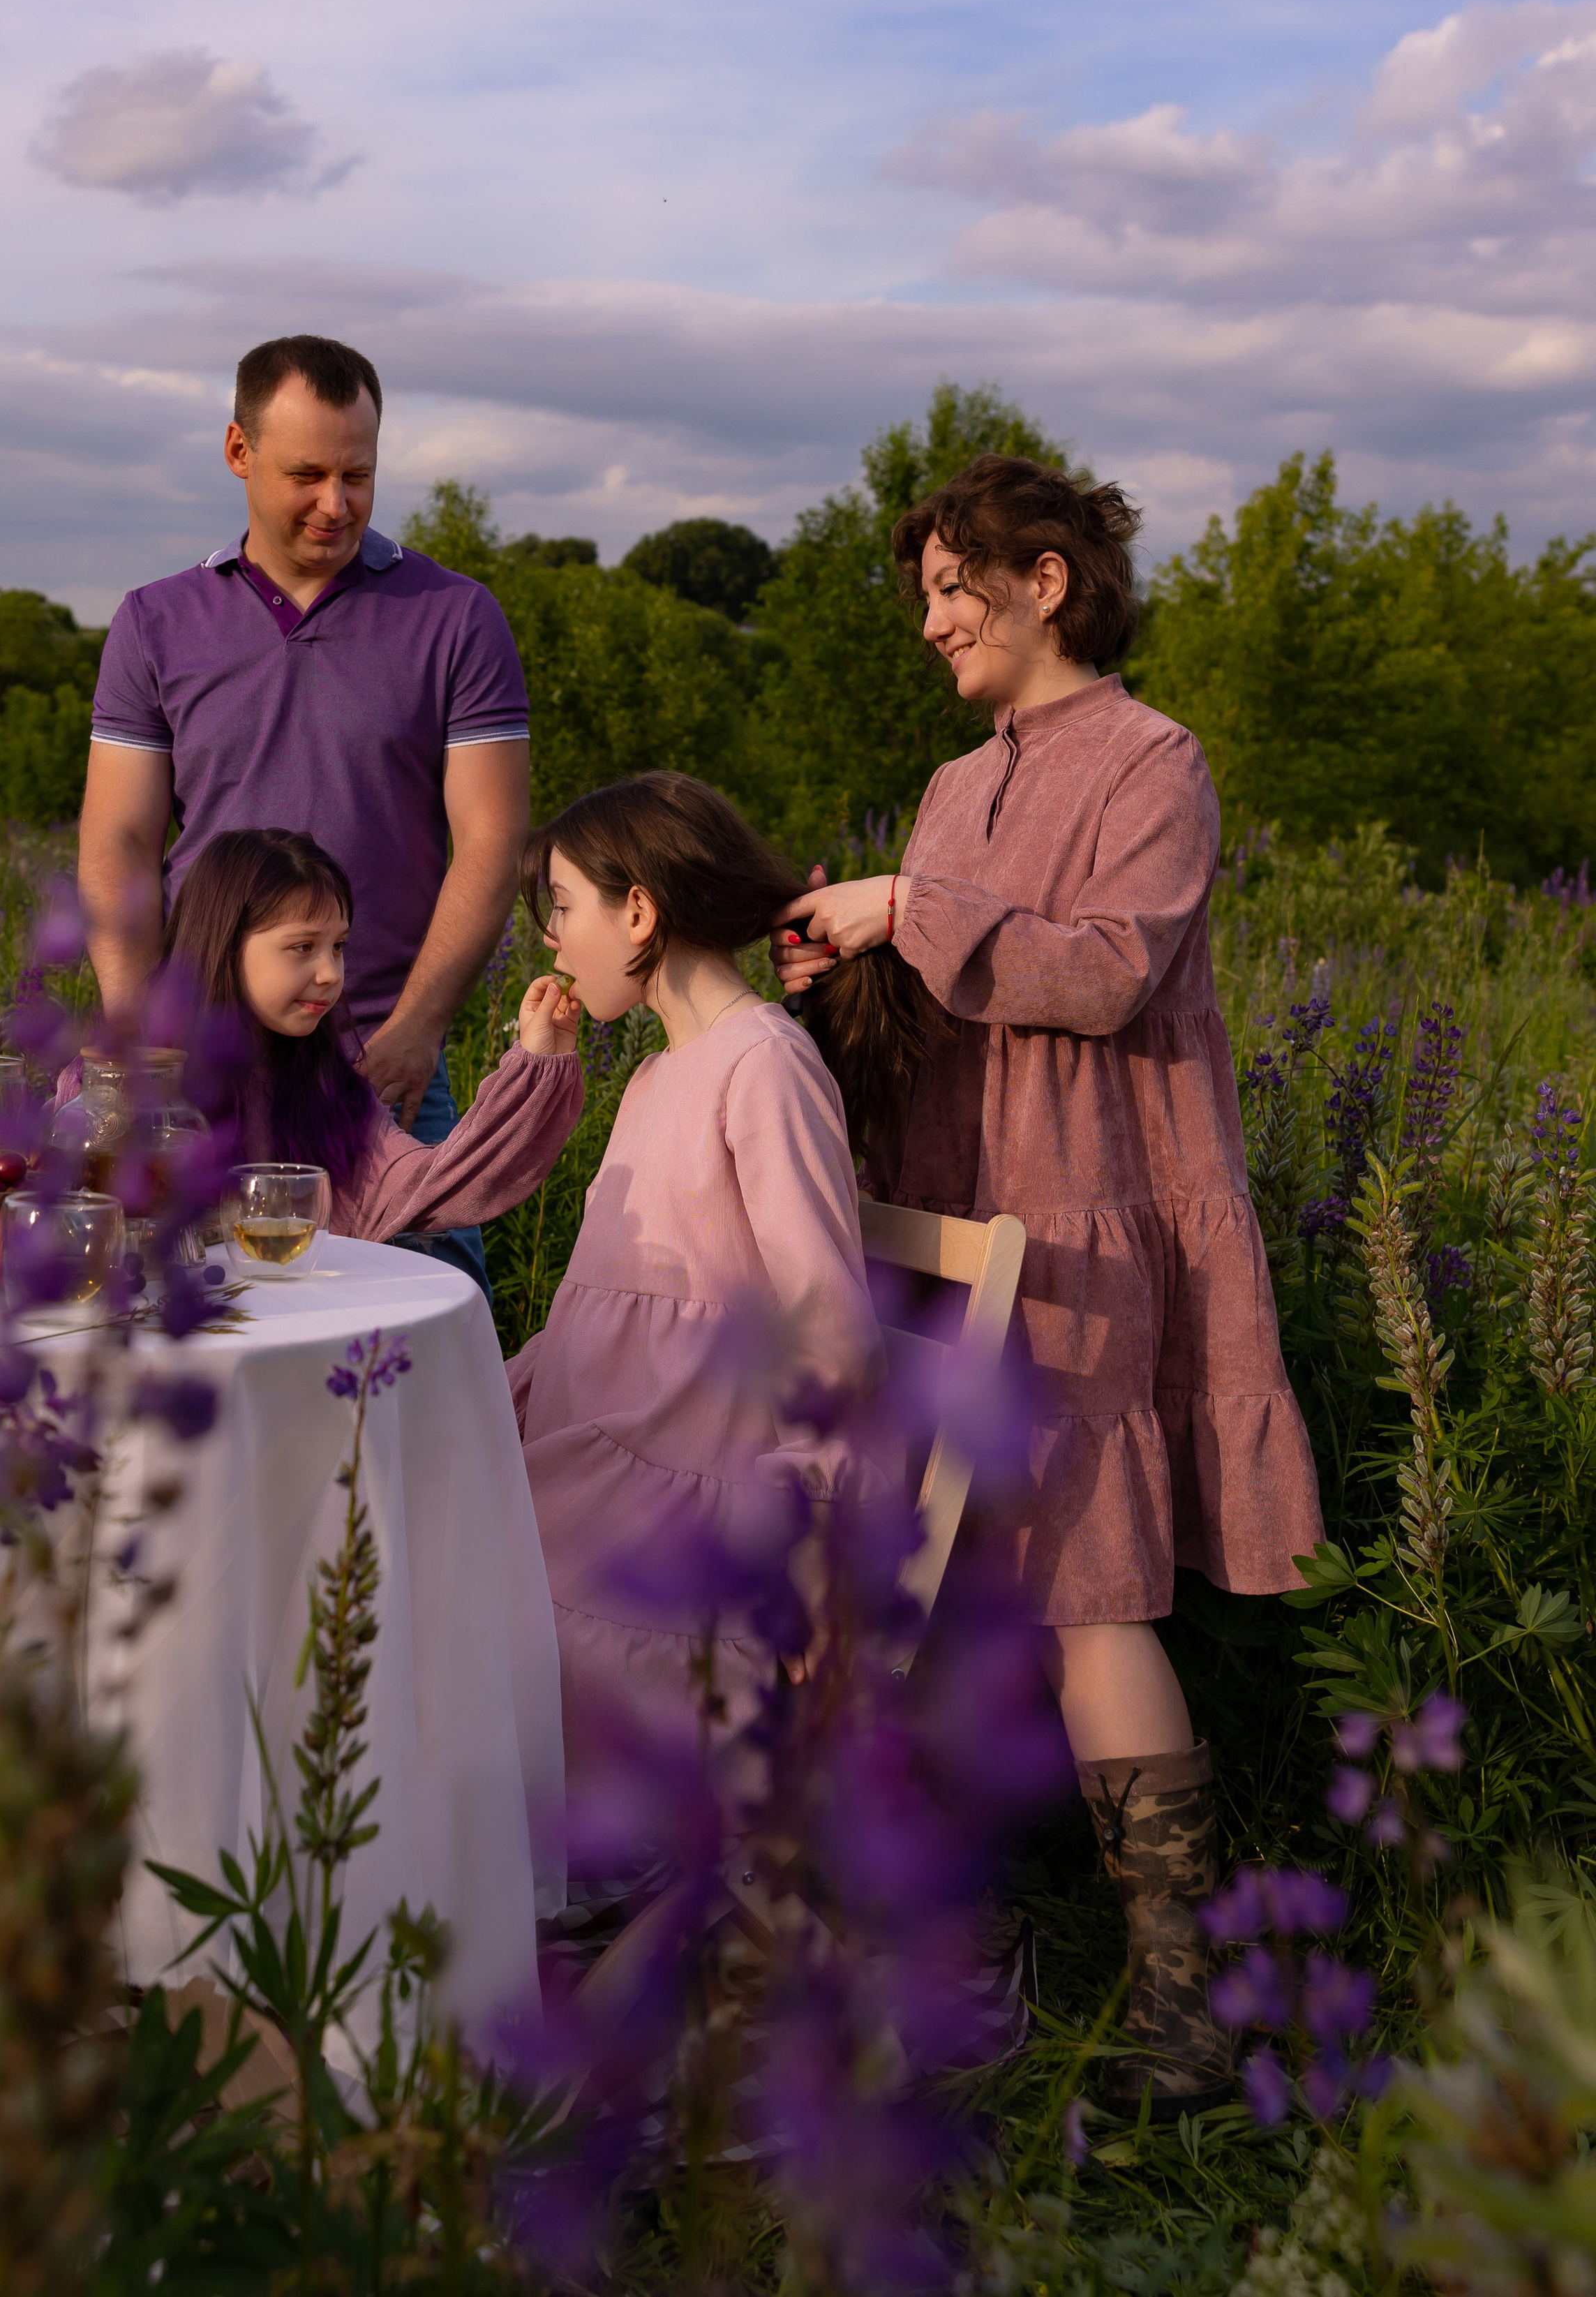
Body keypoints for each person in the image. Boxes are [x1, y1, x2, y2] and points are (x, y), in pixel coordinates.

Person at [773, 452, 1324, 2117]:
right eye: (924, 591)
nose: (932, 618)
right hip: (951, 1207)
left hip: (1089, 1212)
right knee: (944, 1568)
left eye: (956, 585)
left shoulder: (1157, 760)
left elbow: (1099, 967)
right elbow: (949, 979)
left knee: (1090, 1581)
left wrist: (907, 907)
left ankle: (1181, 1997)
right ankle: (960, 1926)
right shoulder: (953, 782)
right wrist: (840, 966)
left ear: (1045, 582)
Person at [80, 333, 528, 1294]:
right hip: (199, 1069)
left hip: (384, 1061)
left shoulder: (455, 616)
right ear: (239, 453)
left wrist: (416, 1028)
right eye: (308, 473)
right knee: (184, 1343)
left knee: (426, 1333)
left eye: (358, 473)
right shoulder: (156, 622)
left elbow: (491, 842)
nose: (338, 502)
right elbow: (118, 839)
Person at [507, 772, 886, 1751]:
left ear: (638, 910)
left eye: (560, 908)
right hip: (601, 1465)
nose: (551, 940)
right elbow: (606, 1314)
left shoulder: (762, 1064)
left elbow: (827, 1326)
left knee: (432, 1595)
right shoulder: (656, 1070)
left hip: (678, 1510)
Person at [161, 828, 583, 1240]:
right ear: (225, 943)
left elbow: (427, 1188)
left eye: (339, 946)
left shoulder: (331, 1094)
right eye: (303, 947)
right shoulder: (134, 1093)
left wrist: (534, 1064)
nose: (330, 974)